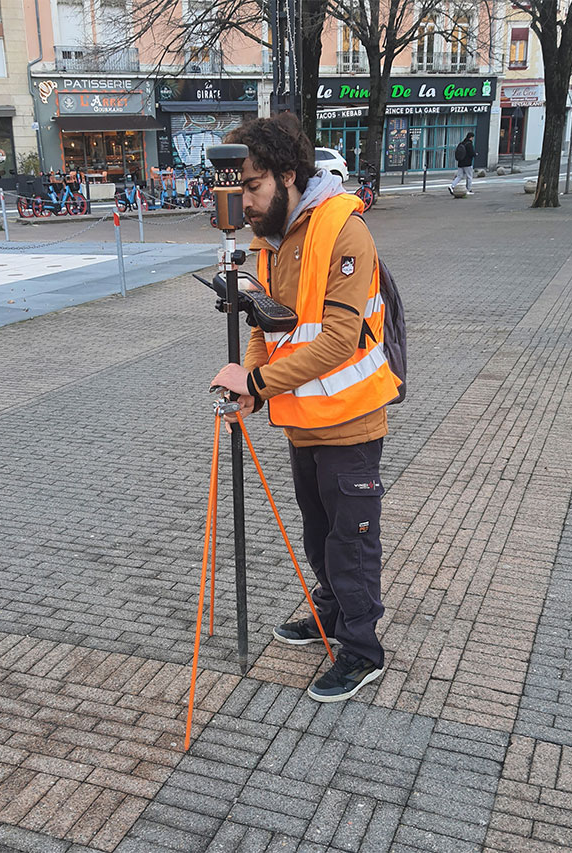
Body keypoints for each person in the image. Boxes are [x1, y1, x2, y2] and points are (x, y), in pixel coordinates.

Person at [210, 113, 402, 703]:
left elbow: (340, 339)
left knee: (352, 539)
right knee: (319, 535)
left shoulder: (346, 232)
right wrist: (248, 378)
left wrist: (259, 382)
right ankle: (329, 618)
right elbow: (269, 323)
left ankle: (363, 650)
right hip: (302, 421)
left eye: (254, 187)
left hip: (351, 420)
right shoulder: (273, 239)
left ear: (288, 175)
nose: (244, 203)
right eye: (239, 189)